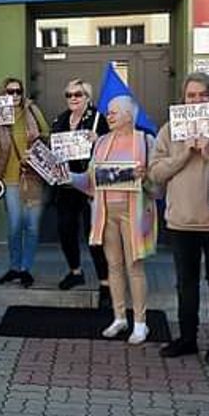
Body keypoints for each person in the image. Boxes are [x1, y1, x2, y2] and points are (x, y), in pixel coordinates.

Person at [150, 72, 209, 364]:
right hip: (181, 221)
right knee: (185, 284)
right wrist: (184, 154)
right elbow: (154, 172)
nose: (197, 100)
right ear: (183, 98)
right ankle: (187, 338)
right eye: (191, 95)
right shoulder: (169, 129)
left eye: (203, 94)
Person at [82, 97, 159, 344]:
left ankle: (140, 322)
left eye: (114, 113)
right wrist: (65, 176)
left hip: (134, 212)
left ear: (129, 115)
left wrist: (145, 176)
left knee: (134, 266)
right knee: (113, 266)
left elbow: (158, 185)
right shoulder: (102, 141)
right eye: (109, 113)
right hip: (106, 213)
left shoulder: (146, 141)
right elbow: (90, 181)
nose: (109, 116)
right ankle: (119, 316)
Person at [51, 78, 110, 306]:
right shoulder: (60, 120)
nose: (73, 99)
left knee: (93, 234)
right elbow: (53, 149)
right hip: (66, 185)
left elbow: (113, 147)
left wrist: (100, 140)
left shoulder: (98, 120)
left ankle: (105, 282)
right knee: (65, 228)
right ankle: (75, 271)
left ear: (87, 97)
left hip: (89, 185)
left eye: (78, 94)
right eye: (69, 95)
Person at [0, 77, 50, 288]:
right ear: (3, 93)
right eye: (10, 91)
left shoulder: (32, 111)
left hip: (33, 178)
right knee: (15, 226)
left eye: (18, 91)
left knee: (32, 227)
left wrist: (37, 136)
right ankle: (15, 266)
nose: (14, 96)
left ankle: (25, 268)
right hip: (11, 179)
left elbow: (48, 137)